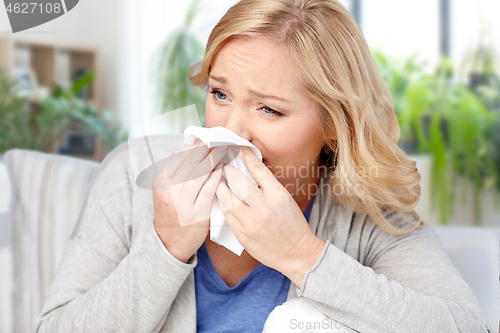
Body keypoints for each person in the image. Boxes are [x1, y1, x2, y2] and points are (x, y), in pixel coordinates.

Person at [36, 0, 491, 332]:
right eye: (220, 94)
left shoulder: (366, 212)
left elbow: (466, 328)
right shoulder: (133, 174)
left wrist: (303, 256)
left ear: (333, 124)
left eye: (269, 110)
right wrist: (167, 245)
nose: (233, 131)